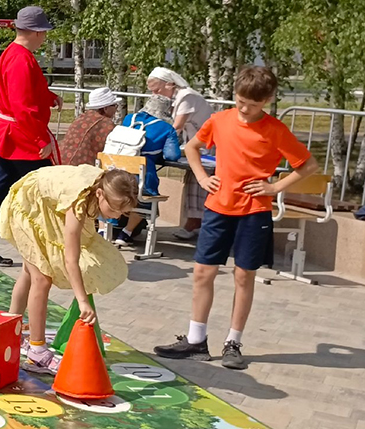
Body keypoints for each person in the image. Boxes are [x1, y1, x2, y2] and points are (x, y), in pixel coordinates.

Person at [154, 65, 317, 370]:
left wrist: (274, 187)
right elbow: (192, 147)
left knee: (244, 276)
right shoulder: (220, 120)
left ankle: (233, 342)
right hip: (218, 207)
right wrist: (202, 178)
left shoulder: (276, 130)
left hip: (254, 212)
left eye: (252, 105)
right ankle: (196, 340)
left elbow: (308, 165)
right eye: (240, 101)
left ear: (267, 101)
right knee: (203, 273)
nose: (244, 109)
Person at [1, 165, 139, 371]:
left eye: (123, 213)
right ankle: (37, 351)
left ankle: (8, 332)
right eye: (113, 210)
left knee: (29, 273)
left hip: (44, 205)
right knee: (42, 278)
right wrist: (83, 301)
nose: (117, 217)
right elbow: (71, 259)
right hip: (27, 205)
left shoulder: (103, 186)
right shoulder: (79, 201)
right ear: (99, 194)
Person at [0, 6, 63, 265]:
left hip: (11, 136)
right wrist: (41, 140)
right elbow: (22, 106)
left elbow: (26, 92)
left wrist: (48, 97)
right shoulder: (21, 59)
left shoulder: (13, 54)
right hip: (22, 138)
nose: (45, 37)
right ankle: (51, 248)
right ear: (36, 32)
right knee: (44, 193)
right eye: (44, 32)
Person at [147, 67, 212, 240]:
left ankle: (195, 223)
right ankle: (194, 222)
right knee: (192, 181)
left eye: (157, 90)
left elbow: (176, 127)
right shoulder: (175, 98)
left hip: (209, 145)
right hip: (196, 145)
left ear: (169, 84)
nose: (155, 95)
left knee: (198, 181)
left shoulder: (187, 96)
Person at [113, 94, 182, 247]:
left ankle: (104, 231)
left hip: (115, 172)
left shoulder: (129, 119)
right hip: (141, 177)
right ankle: (126, 233)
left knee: (117, 193)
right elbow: (172, 155)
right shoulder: (166, 128)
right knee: (145, 199)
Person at [59, 86, 119, 168]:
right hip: (79, 168)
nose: (116, 109)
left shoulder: (82, 117)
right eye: (115, 106)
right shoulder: (106, 124)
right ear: (105, 108)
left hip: (59, 162)